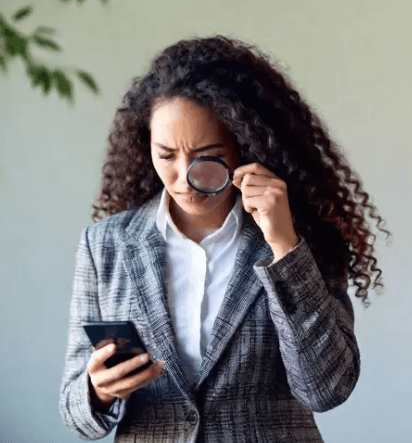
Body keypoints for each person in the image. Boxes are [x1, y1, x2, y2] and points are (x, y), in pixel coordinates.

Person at [59, 34, 391, 442]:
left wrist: (285, 246)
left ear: (243, 145)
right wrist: (97, 391)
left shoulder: (302, 236)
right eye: (166, 155)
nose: (184, 179)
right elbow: (75, 412)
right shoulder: (105, 245)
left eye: (206, 157)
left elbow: (326, 389)